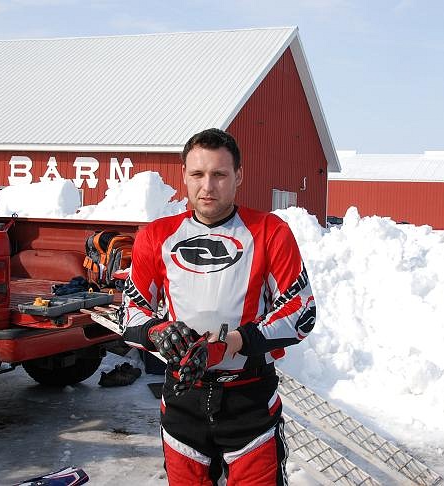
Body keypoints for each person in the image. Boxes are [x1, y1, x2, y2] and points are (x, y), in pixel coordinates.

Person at [119, 128, 316, 485]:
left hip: (249, 400)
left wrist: (234, 343)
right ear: (184, 175)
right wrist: (160, 331)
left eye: (219, 174)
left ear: (239, 176)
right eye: (197, 174)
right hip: (183, 400)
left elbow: (301, 311)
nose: (207, 186)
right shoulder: (155, 236)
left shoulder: (270, 231)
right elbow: (130, 312)